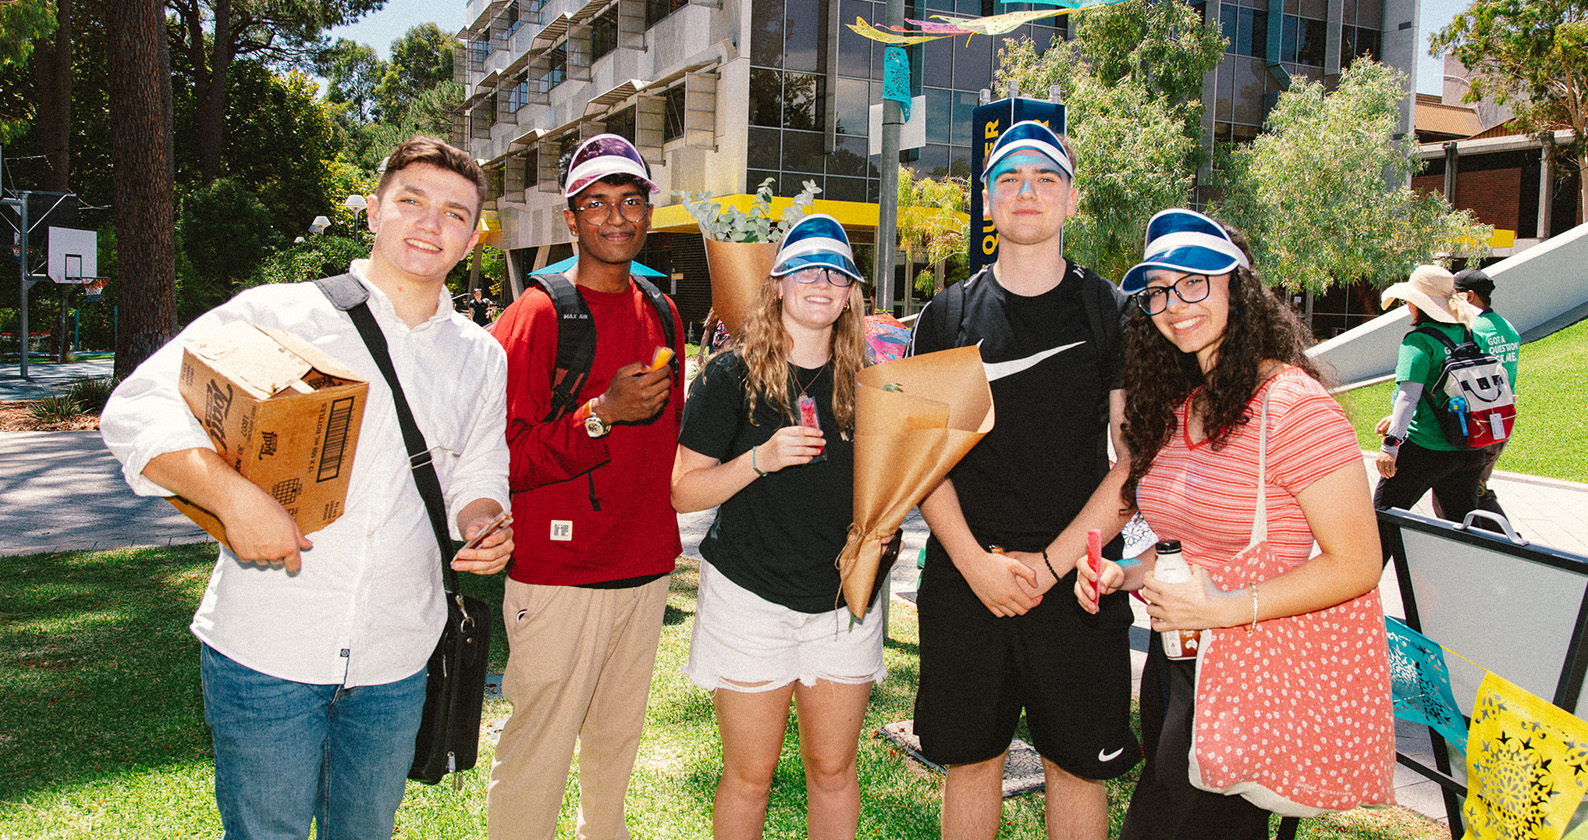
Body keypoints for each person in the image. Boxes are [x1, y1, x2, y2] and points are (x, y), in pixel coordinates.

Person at [100, 136, 514, 839]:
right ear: (375, 211)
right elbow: (139, 407)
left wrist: (485, 524)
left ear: (473, 237)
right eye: (410, 201)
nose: (428, 223)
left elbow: (478, 474)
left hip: (396, 657)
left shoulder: (478, 355)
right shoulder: (283, 313)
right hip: (268, 646)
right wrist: (235, 498)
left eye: (453, 213)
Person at [1080, 208, 1393, 838]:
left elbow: (1356, 565)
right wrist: (1123, 573)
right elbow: (1186, 549)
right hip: (1180, 667)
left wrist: (1224, 608)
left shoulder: (1296, 407)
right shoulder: (1187, 405)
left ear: (1238, 288)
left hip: (1252, 675)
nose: (1174, 304)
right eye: (1159, 291)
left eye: (1194, 282)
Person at [906, 120, 1139, 840]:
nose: (1026, 192)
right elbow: (924, 464)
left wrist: (1048, 565)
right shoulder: (945, 316)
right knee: (971, 764)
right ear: (987, 201)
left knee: (1076, 768)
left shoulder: (1111, 313)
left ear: (1072, 200)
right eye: (1009, 179)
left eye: (1044, 178)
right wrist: (976, 565)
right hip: (966, 580)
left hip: (1076, 584)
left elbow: (1132, 466)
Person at [486, 133, 684, 840]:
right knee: (537, 753)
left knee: (613, 754)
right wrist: (599, 417)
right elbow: (499, 460)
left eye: (630, 202)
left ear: (648, 214)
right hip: (560, 576)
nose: (616, 218)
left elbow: (668, 450)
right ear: (570, 219)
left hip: (643, 569)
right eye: (596, 203)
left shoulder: (662, 313)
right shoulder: (536, 317)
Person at [671, 214, 883, 840]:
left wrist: (884, 529)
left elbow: (893, 486)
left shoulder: (871, 384)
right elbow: (681, 491)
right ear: (778, 285)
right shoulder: (729, 377)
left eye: (836, 273)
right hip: (748, 601)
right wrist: (758, 460)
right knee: (749, 776)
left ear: (849, 293)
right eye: (806, 270)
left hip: (844, 604)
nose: (821, 282)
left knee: (834, 771)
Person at [1372, 265, 1488, 555]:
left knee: (1381, 520)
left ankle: (1359, 594)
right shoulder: (1471, 334)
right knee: (1460, 531)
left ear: (1417, 303)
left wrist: (1391, 446)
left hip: (1426, 449)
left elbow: (1408, 398)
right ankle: (1462, 588)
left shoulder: (1419, 341)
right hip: (1470, 449)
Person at [1444, 267, 1519, 518]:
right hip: (1502, 419)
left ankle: (1501, 540)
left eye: (1454, 294)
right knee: (1477, 486)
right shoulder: (1507, 327)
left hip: (1478, 421)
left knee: (1463, 491)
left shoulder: (1473, 329)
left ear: (1469, 296)